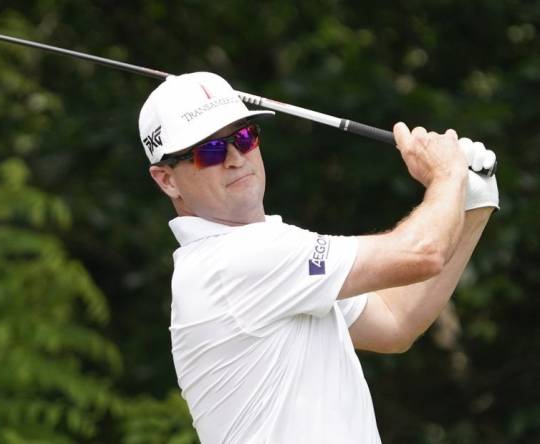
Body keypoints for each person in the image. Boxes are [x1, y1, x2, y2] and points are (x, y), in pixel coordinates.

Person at [138, 72, 499, 443]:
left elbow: (395, 322)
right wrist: (447, 175)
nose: (235, 158)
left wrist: (473, 202)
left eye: (244, 137)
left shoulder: (264, 263)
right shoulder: (234, 260)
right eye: (208, 151)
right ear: (167, 180)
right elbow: (423, 252)